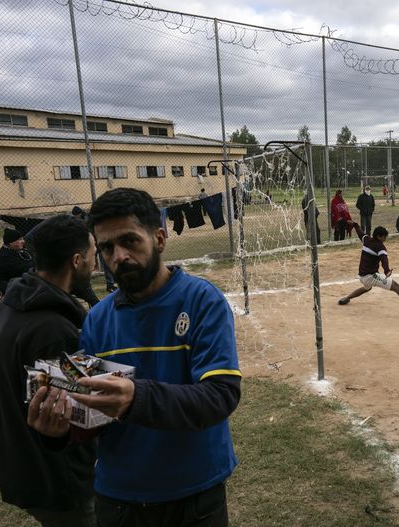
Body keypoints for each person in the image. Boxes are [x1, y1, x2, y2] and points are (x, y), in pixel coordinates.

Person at [31, 188, 242, 527]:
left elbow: (221, 395)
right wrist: (57, 431)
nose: (119, 257)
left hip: (196, 492)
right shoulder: (97, 319)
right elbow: (90, 409)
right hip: (120, 497)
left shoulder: (204, 301)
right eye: (106, 248)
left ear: (159, 238)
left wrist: (136, 398)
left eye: (129, 241)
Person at [0, 215, 98, 525]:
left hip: (19, 464)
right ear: (77, 260)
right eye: (93, 256)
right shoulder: (51, 329)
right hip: (54, 478)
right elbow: (78, 410)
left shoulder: (14, 304)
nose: (96, 266)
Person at [337, 221, 399, 311]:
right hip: (370, 276)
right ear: (379, 236)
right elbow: (384, 259)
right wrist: (387, 270)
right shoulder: (380, 246)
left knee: (367, 288)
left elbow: (360, 233)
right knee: (396, 286)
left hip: (362, 275)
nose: (385, 238)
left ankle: (346, 298)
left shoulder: (367, 239)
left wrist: (355, 225)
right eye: (384, 237)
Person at [72, 206, 116, 295]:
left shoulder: (85, 220)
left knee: (104, 263)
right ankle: (109, 284)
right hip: (94, 243)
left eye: (76, 215)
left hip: (94, 244)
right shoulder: (85, 219)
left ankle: (110, 284)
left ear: (79, 214)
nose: (76, 217)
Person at [0, 228, 34, 294]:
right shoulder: (5, 257)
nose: (23, 241)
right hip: (13, 285)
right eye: (19, 239)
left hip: (24, 281)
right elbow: (24, 269)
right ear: (10, 242)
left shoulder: (20, 251)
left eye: (22, 239)